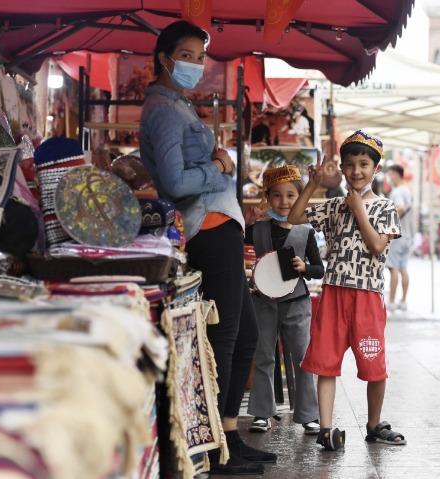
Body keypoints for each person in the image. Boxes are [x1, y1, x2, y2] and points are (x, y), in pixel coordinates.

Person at [138, 21, 274, 475]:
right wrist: (220, 167)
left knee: (245, 337)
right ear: (164, 57)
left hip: (220, 228)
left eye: (200, 56)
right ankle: (215, 448)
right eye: (188, 55)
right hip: (208, 230)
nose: (196, 63)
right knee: (226, 338)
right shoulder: (162, 110)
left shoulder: (178, 105)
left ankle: (228, 436)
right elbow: (175, 183)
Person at [288, 129, 407, 450]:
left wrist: (359, 210)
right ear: (342, 168)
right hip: (334, 293)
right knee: (325, 362)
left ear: (377, 168)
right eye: (350, 164)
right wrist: (311, 184)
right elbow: (294, 216)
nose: (356, 171)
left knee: (373, 364)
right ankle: (326, 429)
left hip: (367, 296)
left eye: (364, 164)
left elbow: (377, 245)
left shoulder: (385, 207)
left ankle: (374, 424)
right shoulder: (336, 205)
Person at [242, 165, 324, 436]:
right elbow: (234, 243)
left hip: (297, 301)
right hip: (264, 301)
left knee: (301, 357)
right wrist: (246, 221)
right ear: (267, 198)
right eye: (277, 195)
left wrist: (305, 268)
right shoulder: (258, 229)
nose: (285, 201)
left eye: (291, 195)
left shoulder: (306, 231)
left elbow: (319, 269)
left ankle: (308, 415)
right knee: (264, 355)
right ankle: (262, 414)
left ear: (300, 197)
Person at [384, 164, 414, 312]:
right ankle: (403, 301)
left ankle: (391, 301)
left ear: (396, 174)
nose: (389, 178)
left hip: (397, 235)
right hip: (408, 236)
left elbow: (400, 208)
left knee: (393, 268)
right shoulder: (408, 190)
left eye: (390, 174)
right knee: (403, 268)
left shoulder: (397, 192)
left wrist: (391, 224)